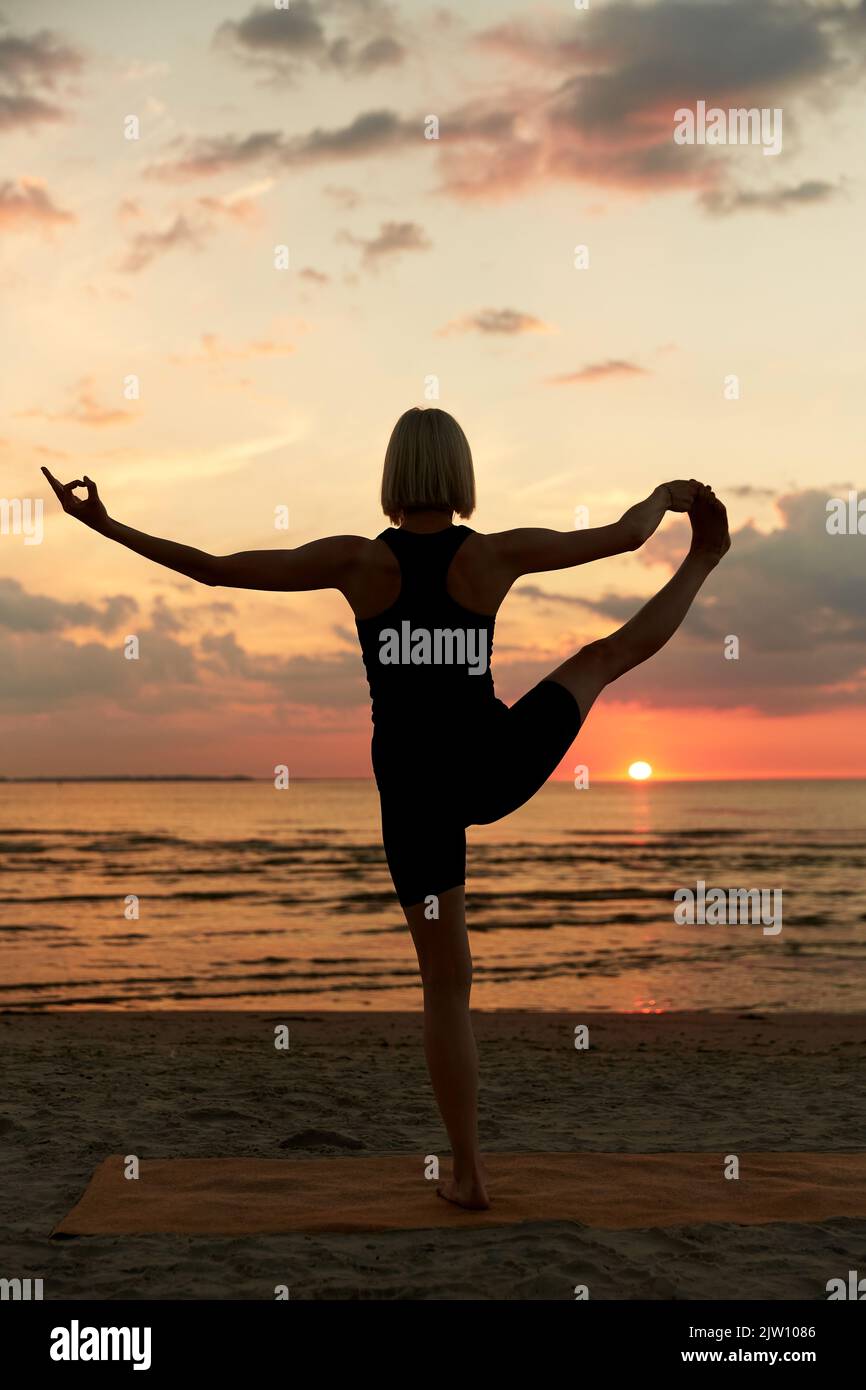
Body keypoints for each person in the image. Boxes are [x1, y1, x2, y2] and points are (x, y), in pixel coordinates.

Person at [42, 406, 729, 1210]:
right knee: (601, 659)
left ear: (393, 476)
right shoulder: (494, 555)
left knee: (446, 986)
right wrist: (669, 495)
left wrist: (105, 524)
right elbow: (623, 535)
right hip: (493, 763)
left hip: (413, 793)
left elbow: (215, 569)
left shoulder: (357, 564)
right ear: (460, 472)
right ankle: (707, 565)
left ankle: (468, 1174)